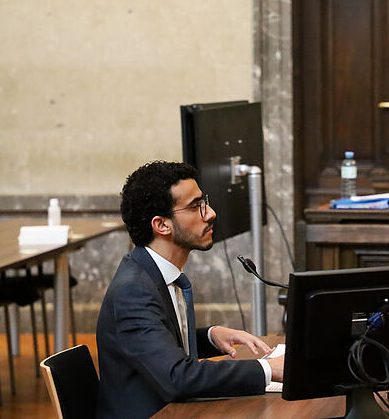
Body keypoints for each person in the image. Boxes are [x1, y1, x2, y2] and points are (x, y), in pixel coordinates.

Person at [96, 161, 283, 419]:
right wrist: (268, 370)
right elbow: (177, 376)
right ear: (162, 225)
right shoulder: (134, 291)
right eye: (196, 207)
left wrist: (209, 336)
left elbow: (155, 341)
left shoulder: (153, 272)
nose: (211, 213)